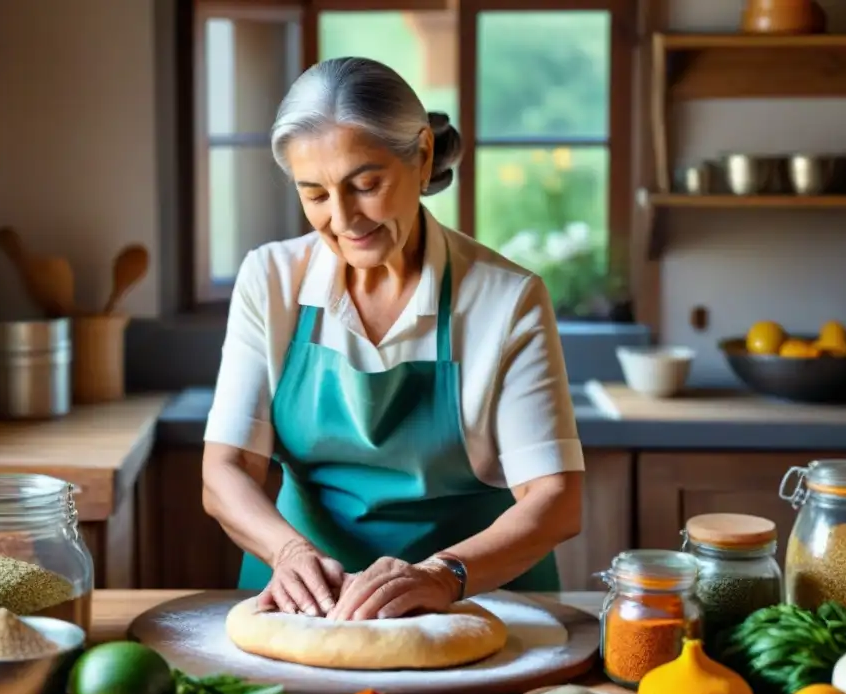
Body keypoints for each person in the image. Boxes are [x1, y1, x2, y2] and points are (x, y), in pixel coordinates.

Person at [202, 57, 584, 623]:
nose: (343, 218)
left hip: (480, 605)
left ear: (422, 155)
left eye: (366, 185)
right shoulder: (270, 280)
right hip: (307, 608)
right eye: (315, 194)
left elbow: (555, 501)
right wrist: (289, 552)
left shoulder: (506, 299)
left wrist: (444, 575)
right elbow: (226, 468)